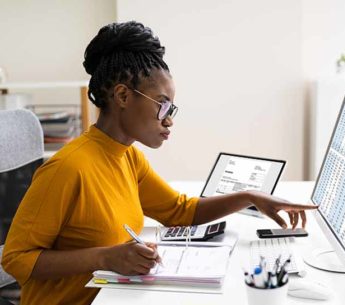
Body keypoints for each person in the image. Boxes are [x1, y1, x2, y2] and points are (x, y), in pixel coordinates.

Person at [1, 21, 317, 305]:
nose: (169, 121)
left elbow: (181, 212)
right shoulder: (67, 169)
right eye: (163, 106)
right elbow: (16, 258)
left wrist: (250, 198)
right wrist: (105, 258)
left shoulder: (129, 158)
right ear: (123, 97)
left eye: (172, 110)